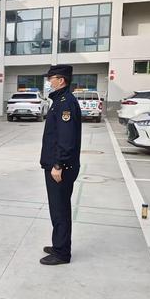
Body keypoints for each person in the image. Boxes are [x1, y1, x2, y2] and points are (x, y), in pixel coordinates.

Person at [40, 65, 82, 266]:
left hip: (60, 168)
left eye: (52, 79)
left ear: (61, 80)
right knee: (58, 208)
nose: (49, 82)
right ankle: (59, 244)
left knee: (60, 209)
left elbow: (66, 140)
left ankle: (62, 252)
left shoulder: (65, 103)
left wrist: (58, 165)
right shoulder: (60, 101)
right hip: (58, 165)